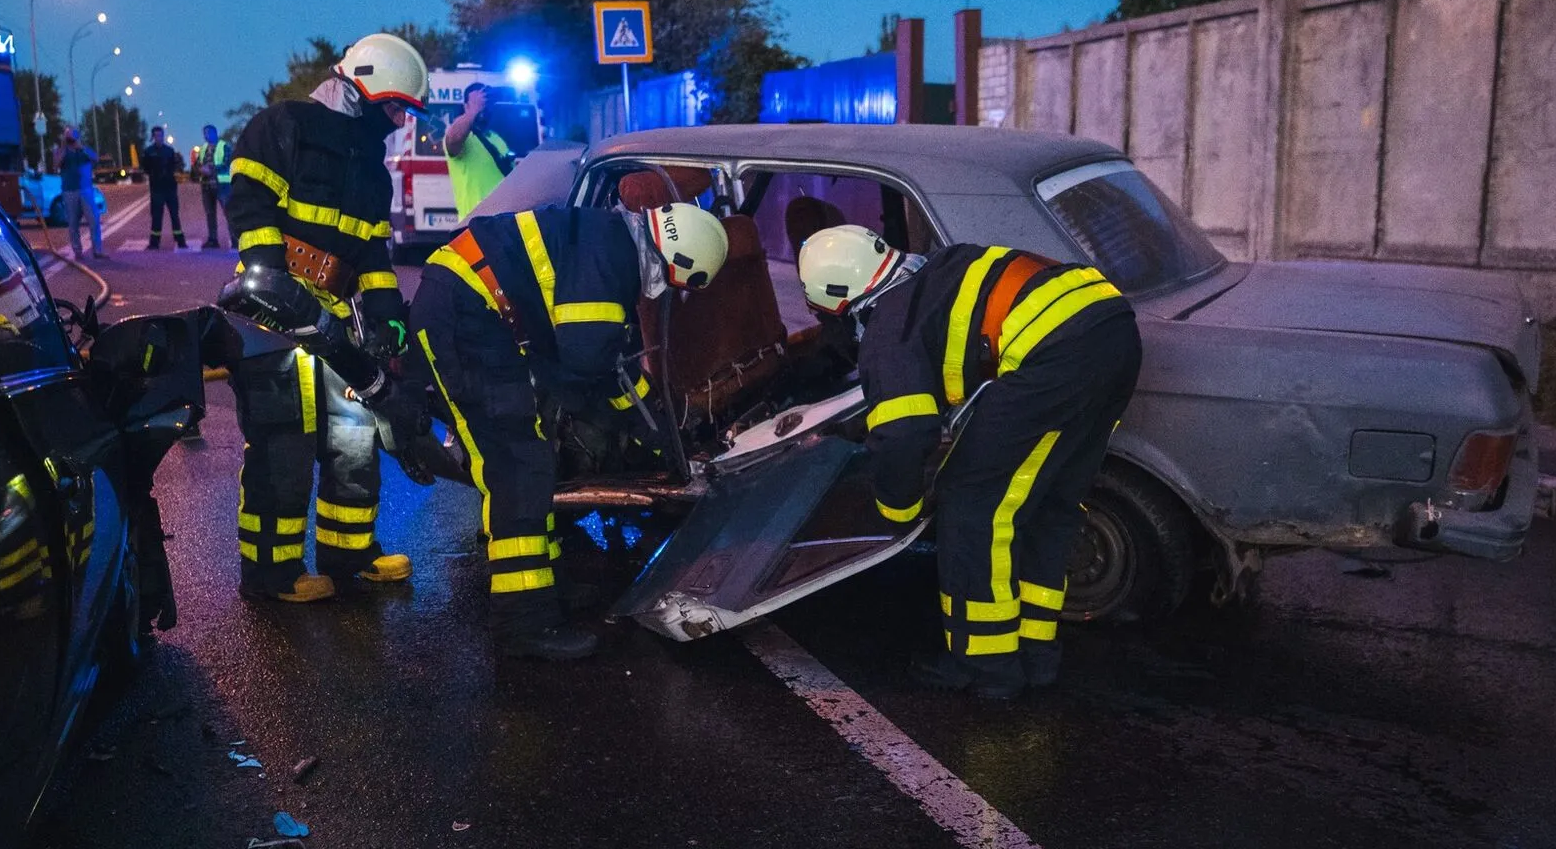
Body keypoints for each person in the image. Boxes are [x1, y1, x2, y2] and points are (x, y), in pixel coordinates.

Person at [797, 227, 1142, 700]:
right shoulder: (937, 273)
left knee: (972, 501)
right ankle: (1037, 654)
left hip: (1056, 354)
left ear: (837, 299)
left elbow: (904, 433)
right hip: (1113, 328)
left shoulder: (888, 328)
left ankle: (985, 666)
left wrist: (898, 508)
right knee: (1049, 503)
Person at [410, 197, 728, 659]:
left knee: (532, 458)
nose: (663, 292)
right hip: (464, 321)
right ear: (676, 261)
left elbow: (594, 362)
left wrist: (648, 415)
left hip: (472, 316)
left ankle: (543, 587)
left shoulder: (609, 240)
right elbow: (590, 361)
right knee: (516, 467)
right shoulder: (612, 256)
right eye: (676, 283)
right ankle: (523, 622)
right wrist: (650, 428)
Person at [214, 33, 427, 603]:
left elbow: (372, 254)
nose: (400, 121)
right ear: (365, 87)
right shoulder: (282, 127)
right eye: (397, 107)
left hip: (335, 321)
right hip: (269, 321)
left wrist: (387, 315)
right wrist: (268, 278)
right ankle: (271, 574)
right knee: (282, 447)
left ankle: (349, 552)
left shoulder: (371, 170)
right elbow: (251, 207)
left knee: (354, 445)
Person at [442, 82, 516, 220]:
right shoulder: (464, 138)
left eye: (485, 103)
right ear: (465, 107)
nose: (482, 107)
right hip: (473, 224)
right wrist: (473, 111)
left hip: (502, 221)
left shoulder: (497, 139)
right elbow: (453, 138)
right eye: (476, 102)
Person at [57, 128, 107, 261]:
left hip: (85, 189)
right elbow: (56, 163)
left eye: (72, 137)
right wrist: (64, 147)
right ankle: (77, 251)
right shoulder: (62, 151)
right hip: (69, 191)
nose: (70, 140)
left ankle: (97, 250)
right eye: (67, 137)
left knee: (94, 220)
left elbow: (95, 158)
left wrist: (81, 147)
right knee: (73, 223)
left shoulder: (83, 150)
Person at [142, 125, 187, 250]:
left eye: (161, 135)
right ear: (153, 137)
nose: (159, 138)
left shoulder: (169, 151)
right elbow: (145, 168)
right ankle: (154, 243)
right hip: (156, 188)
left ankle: (180, 240)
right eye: (156, 136)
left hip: (170, 188)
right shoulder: (148, 152)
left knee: (174, 215)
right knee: (156, 216)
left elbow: (176, 165)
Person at [196, 123, 233, 250]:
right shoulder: (203, 148)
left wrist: (211, 169)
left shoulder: (224, 146)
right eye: (204, 133)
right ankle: (212, 240)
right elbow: (197, 163)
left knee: (228, 213)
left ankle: (235, 240)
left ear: (215, 133)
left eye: (208, 133)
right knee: (210, 214)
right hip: (206, 186)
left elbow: (227, 163)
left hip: (222, 185)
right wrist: (200, 169)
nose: (206, 135)